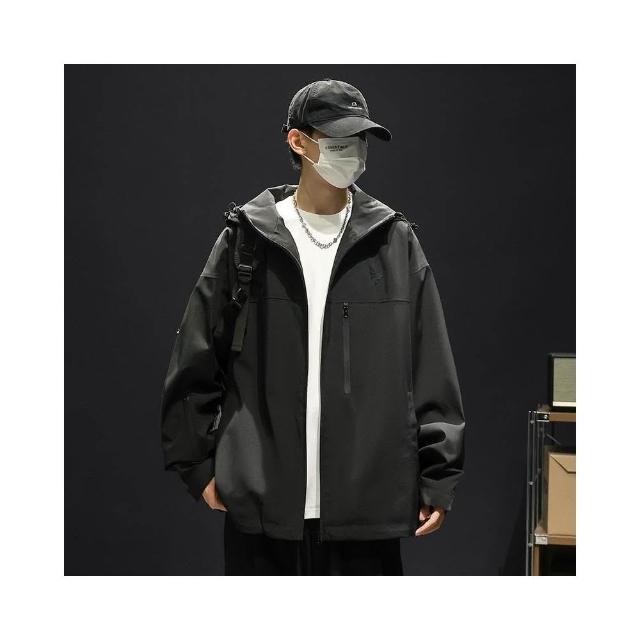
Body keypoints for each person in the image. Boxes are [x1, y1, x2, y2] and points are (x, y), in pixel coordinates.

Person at [160, 78, 466, 575]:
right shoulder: (248, 240)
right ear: (297, 141)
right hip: (263, 506)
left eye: (360, 138)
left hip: (367, 509)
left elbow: (431, 366)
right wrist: (196, 464)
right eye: (339, 138)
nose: (353, 151)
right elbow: (195, 356)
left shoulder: (393, 242)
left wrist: (439, 475)